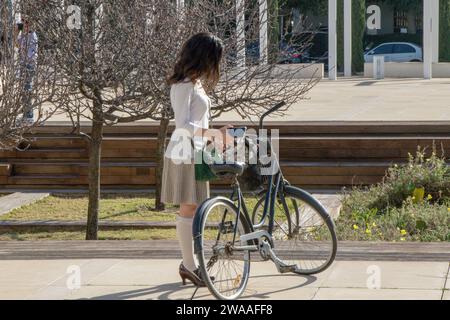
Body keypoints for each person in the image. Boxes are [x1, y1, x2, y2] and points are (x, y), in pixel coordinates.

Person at [162, 32, 233, 287]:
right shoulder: (182, 85)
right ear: (204, 57)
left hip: (196, 151)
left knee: (195, 210)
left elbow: (197, 122)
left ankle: (190, 265)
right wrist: (214, 133)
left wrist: (215, 137)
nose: (216, 65)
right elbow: (182, 125)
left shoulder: (195, 83)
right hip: (184, 152)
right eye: (214, 59)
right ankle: (189, 266)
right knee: (189, 209)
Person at [17, 19, 38, 123]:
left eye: (26, 25)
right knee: (24, 90)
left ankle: (29, 116)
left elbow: (30, 51)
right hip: (23, 64)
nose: (24, 27)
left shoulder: (32, 35)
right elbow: (17, 45)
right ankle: (26, 114)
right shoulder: (23, 35)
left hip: (29, 64)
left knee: (27, 89)